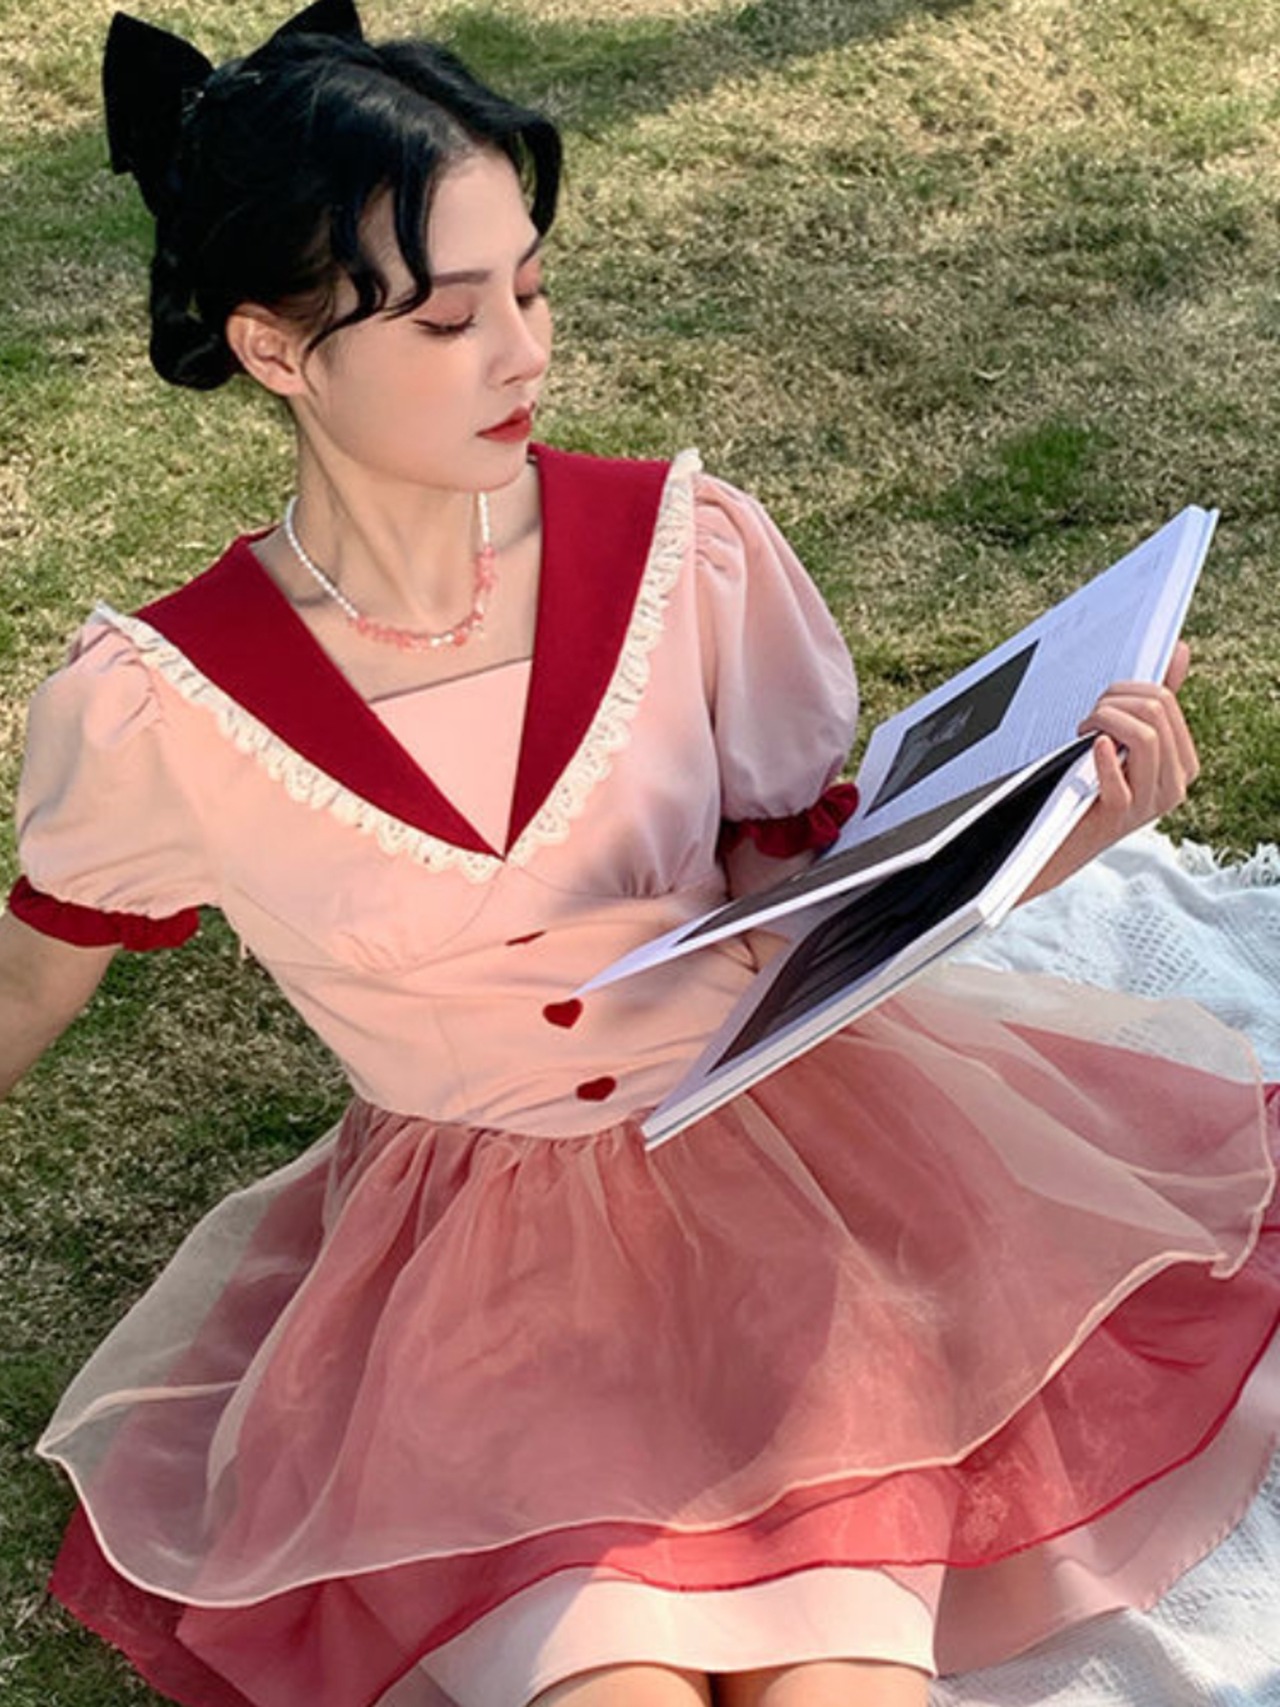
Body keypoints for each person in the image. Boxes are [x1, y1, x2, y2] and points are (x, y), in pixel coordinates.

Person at [2, 4, 1276, 1706]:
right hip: (486, 1286)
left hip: (797, 1196)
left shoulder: (686, 552)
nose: (521, 353)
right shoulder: (159, 709)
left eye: (531, 291)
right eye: (450, 317)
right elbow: (31, 985)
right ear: (275, 348)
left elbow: (814, 896)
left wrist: (1068, 830)